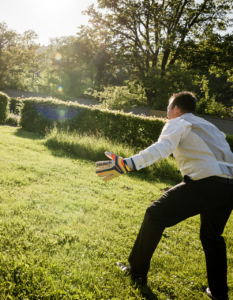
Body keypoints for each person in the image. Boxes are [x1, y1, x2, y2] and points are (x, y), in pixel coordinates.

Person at [96, 92, 233, 300]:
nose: (167, 112)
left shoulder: (179, 121)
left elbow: (162, 148)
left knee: (154, 214)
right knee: (212, 236)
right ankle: (219, 292)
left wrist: (127, 164)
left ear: (176, 108)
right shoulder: (210, 126)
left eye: (168, 107)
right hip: (229, 186)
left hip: (206, 182)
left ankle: (137, 271)